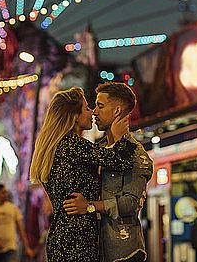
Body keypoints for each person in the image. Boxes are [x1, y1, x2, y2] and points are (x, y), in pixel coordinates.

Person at [29, 87, 135, 262]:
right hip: (78, 238)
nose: (92, 112)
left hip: (62, 236)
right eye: (87, 108)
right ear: (74, 116)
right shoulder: (73, 144)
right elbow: (120, 160)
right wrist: (121, 137)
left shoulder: (58, 146)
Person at [63, 82, 153, 262]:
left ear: (117, 111)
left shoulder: (136, 155)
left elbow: (131, 203)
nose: (94, 111)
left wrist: (89, 206)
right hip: (96, 250)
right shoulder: (98, 150)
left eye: (100, 106)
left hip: (124, 252)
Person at [0, 184, 32, 262]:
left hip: (10, 248)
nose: (6, 194)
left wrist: (26, 247)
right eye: (3, 192)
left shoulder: (13, 208)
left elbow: (20, 229)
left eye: (6, 192)